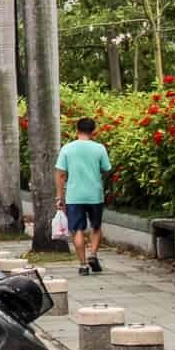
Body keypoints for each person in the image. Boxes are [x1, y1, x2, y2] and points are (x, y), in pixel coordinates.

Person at [56, 116, 114, 274]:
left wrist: (60, 197)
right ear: (93, 131)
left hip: (74, 196)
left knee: (78, 230)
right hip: (95, 194)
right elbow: (106, 169)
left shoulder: (67, 148)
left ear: (77, 130)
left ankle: (82, 265)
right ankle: (93, 255)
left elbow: (61, 175)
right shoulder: (99, 148)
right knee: (96, 227)